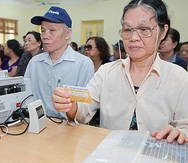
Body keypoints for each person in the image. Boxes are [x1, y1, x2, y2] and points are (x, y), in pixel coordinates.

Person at [52, 0, 188, 144]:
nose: (133, 38)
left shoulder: (179, 78)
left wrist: (181, 133)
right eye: (127, 30)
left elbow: (185, 125)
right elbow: (83, 110)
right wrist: (70, 105)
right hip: (110, 153)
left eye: (144, 29)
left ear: (163, 31)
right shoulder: (107, 72)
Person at [25, 6, 94, 119]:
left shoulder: (83, 64)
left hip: (71, 129)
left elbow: (84, 110)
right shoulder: (35, 63)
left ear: (67, 34)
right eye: (42, 30)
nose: (45, 36)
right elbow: (25, 99)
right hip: (38, 126)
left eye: (52, 30)